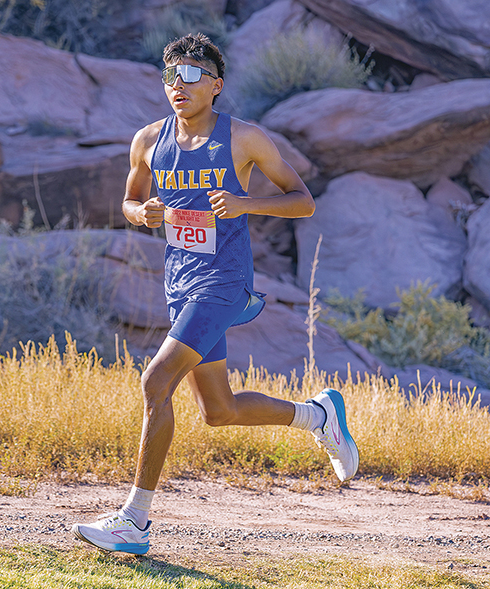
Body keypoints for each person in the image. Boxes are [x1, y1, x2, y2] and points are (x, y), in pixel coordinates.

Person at [72, 33, 358, 556]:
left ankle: (134, 523)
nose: (176, 86)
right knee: (219, 411)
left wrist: (246, 203)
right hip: (179, 283)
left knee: (155, 381)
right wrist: (144, 214)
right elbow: (129, 202)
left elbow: (303, 201)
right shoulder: (147, 140)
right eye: (168, 77)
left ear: (216, 85)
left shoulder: (245, 139)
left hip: (225, 282)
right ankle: (319, 415)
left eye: (189, 75)